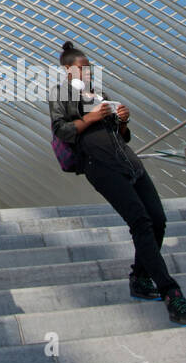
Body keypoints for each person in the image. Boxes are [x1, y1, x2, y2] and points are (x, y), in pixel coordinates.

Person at [49, 40, 186, 324]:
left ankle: (139, 277)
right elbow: (61, 130)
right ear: (67, 70)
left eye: (88, 68)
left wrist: (123, 120)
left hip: (130, 163)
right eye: (82, 68)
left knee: (158, 219)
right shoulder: (59, 93)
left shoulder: (101, 94)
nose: (87, 72)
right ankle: (171, 293)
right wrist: (91, 118)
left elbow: (122, 137)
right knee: (141, 222)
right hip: (100, 167)